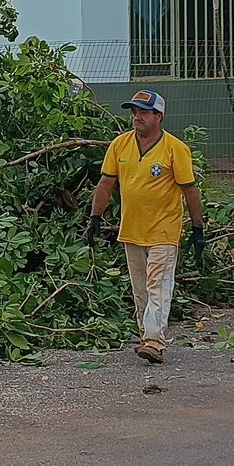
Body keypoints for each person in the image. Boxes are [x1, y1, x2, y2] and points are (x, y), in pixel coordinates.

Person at [87, 89, 207, 364]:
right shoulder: (119, 145)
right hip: (131, 229)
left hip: (164, 230)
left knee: (158, 285)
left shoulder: (175, 149)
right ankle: (147, 336)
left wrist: (197, 229)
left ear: (159, 116)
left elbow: (190, 191)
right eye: (134, 111)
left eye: (143, 111)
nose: (136, 116)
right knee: (139, 288)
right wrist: (95, 217)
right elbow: (106, 183)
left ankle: (154, 340)